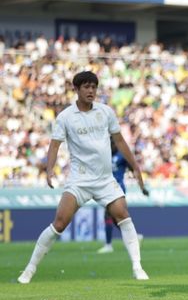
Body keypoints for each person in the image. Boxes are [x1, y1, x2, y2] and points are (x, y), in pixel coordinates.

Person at [18, 71, 150, 283]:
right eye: (86, 87)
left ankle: (137, 267)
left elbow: (120, 140)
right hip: (79, 180)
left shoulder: (106, 112)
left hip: (105, 180)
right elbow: (55, 144)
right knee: (59, 223)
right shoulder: (65, 117)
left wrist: (135, 166)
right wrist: (49, 169)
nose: (91, 91)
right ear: (76, 90)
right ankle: (29, 269)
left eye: (94, 87)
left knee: (123, 215)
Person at [97, 138, 149, 254]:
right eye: (109, 144)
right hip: (106, 189)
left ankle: (108, 245)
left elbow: (135, 170)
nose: (111, 146)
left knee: (108, 215)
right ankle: (135, 236)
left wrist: (142, 187)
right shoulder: (105, 156)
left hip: (118, 188)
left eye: (113, 143)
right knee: (117, 218)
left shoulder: (122, 156)